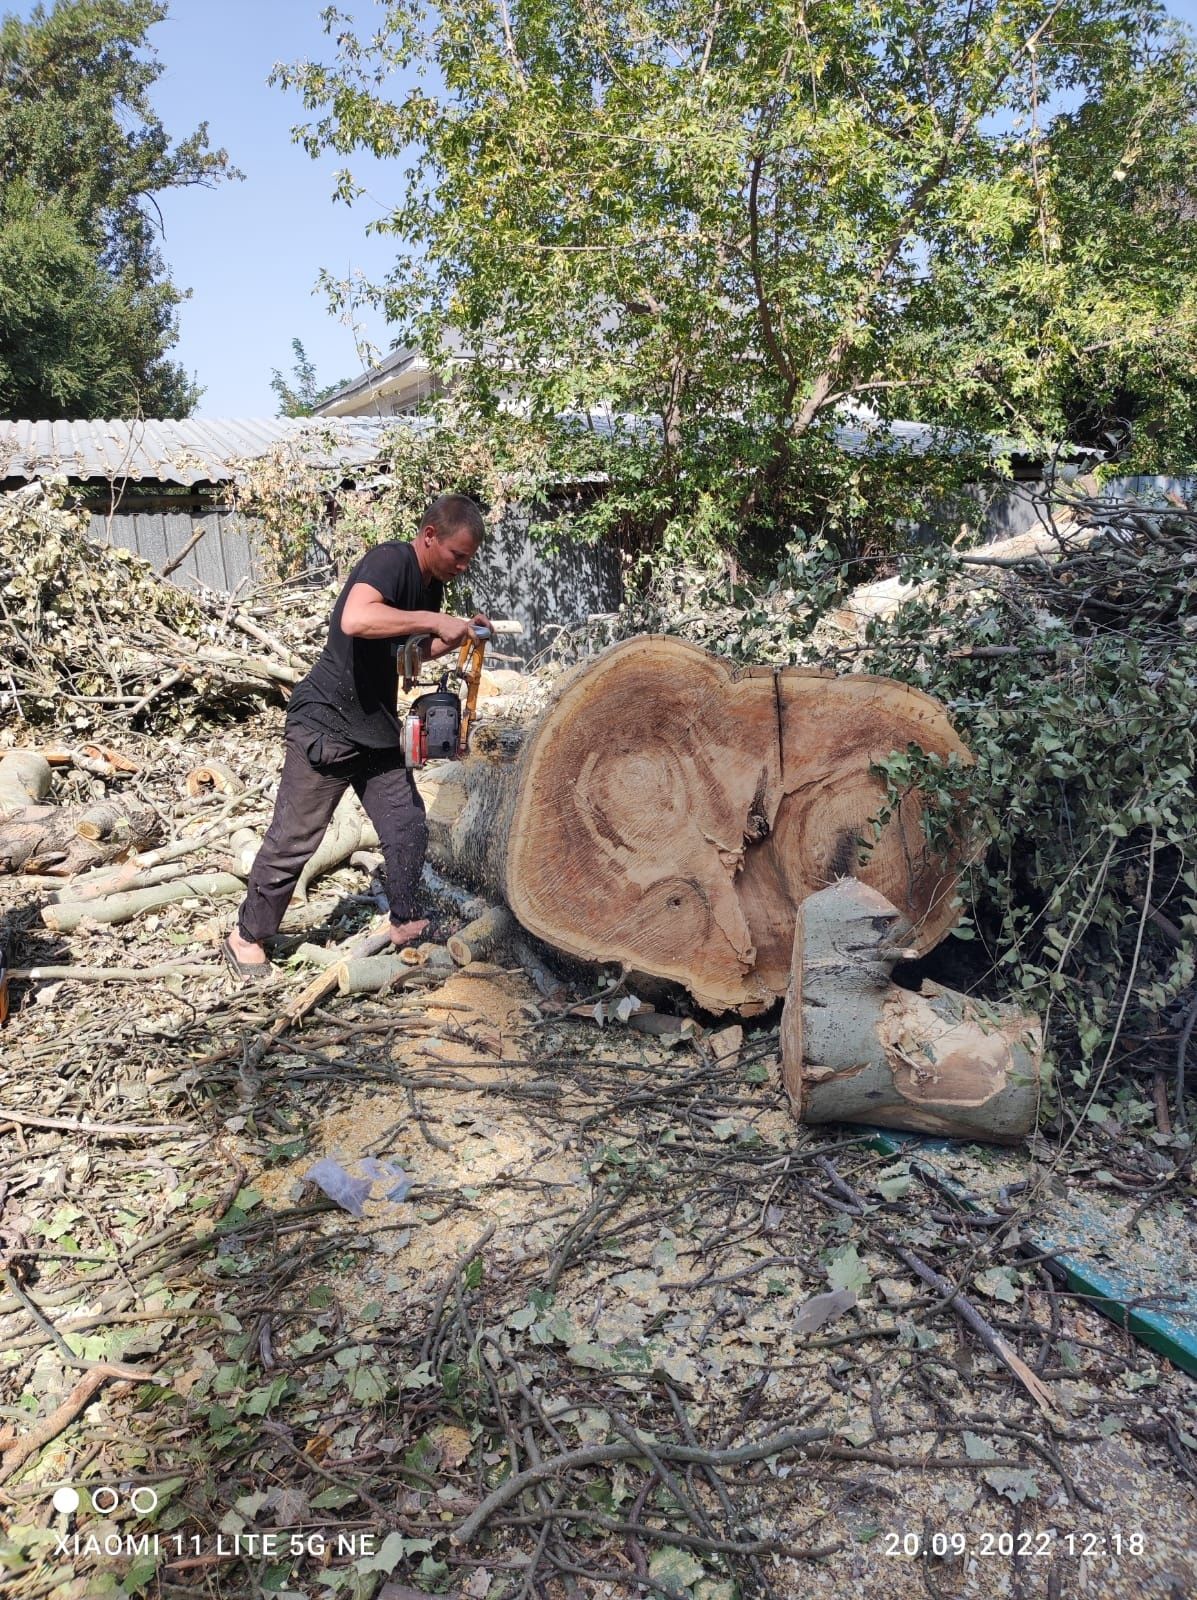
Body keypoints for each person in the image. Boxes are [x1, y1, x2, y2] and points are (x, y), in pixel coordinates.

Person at [222, 493, 491, 979]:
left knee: (407, 823)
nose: (463, 567)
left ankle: (407, 922)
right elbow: (357, 618)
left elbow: (399, 652)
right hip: (326, 722)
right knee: (295, 839)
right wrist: (433, 621)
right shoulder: (390, 560)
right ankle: (246, 936)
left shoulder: (430, 589)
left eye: (468, 559)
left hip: (374, 726)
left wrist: (449, 637)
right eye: (458, 555)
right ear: (430, 536)